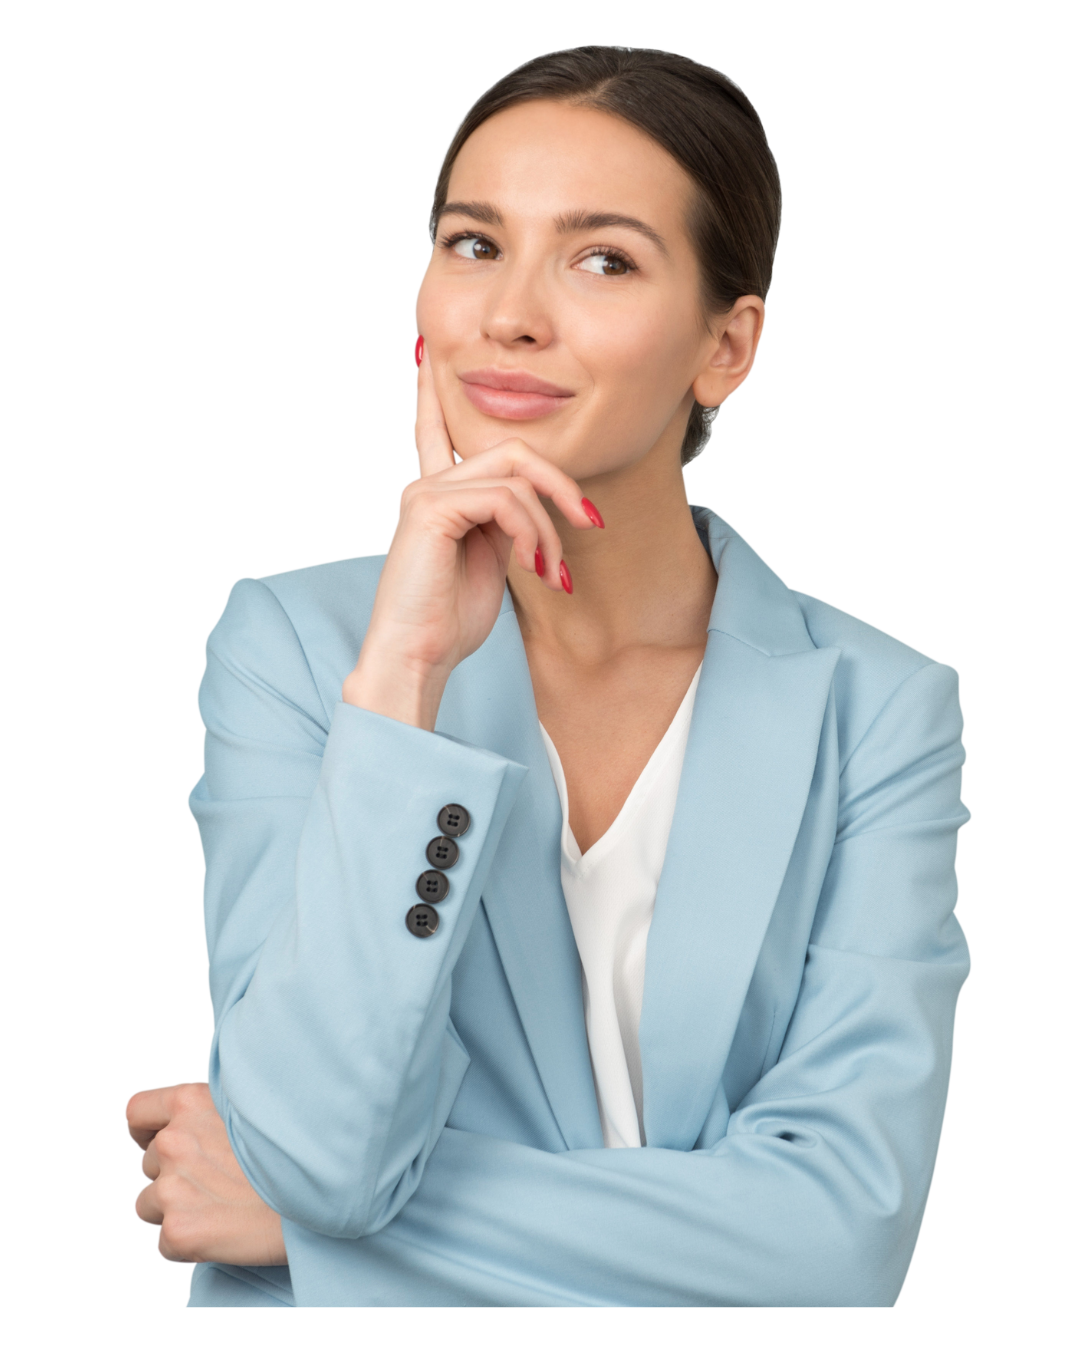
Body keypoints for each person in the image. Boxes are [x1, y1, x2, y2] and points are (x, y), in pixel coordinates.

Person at [125, 45, 972, 1308]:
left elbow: (835, 1246)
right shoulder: (296, 647)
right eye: (475, 243)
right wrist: (407, 679)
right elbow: (324, 1154)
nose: (512, 313)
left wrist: (308, 1228)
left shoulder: (879, 708)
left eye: (603, 259)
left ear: (727, 347)